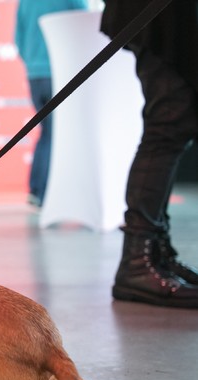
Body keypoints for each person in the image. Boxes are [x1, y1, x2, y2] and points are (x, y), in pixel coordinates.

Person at [100, 0, 198, 308]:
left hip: (170, 14)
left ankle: (154, 254)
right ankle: (138, 262)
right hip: (159, 13)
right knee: (169, 123)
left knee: (176, 123)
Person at [14, 0, 88, 209]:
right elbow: (86, 27)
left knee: (48, 132)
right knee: (56, 135)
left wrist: (33, 62)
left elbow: (18, 39)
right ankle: (46, 193)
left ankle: (38, 190)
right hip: (61, 71)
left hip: (35, 75)